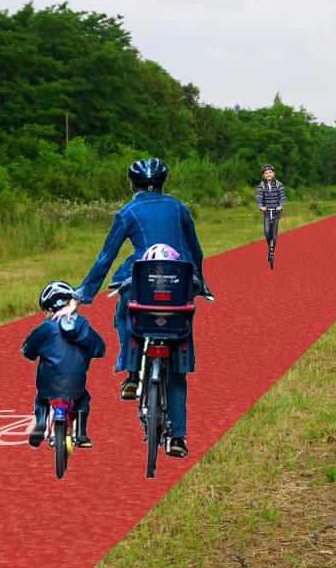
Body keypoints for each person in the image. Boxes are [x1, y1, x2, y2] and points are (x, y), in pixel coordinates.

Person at [54, 158, 209, 458]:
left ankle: (131, 373)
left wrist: (82, 294)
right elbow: (196, 250)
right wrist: (199, 281)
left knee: (125, 312)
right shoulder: (179, 208)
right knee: (180, 341)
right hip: (180, 285)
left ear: (133, 185)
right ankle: (177, 438)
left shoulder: (128, 211)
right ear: (164, 183)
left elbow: (105, 258)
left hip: (141, 282)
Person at [21, 281, 106, 448]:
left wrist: (32, 351)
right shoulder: (83, 325)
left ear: (49, 308)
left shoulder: (45, 328)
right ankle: (81, 433)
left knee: (41, 399)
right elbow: (100, 349)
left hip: (49, 385)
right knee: (83, 399)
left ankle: (40, 423)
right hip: (76, 385)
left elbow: (28, 351)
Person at [256, 164, 285, 264]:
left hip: (276, 211)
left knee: (274, 233)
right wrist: (261, 207)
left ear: (273, 173)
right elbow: (259, 198)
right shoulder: (262, 185)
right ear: (263, 175)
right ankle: (269, 246)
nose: (268, 174)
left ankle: (272, 252)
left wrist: (280, 206)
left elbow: (282, 198)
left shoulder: (278, 184)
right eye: (266, 173)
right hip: (267, 212)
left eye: (270, 172)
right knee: (267, 232)